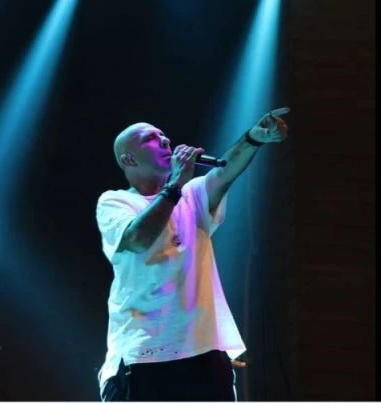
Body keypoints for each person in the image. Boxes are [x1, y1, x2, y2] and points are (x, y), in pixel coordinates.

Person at [95, 108, 290, 401]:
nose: (165, 140)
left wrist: (253, 138)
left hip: (204, 353)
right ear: (129, 159)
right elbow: (138, 239)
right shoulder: (115, 202)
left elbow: (225, 171)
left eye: (164, 135)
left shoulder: (193, 194)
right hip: (143, 354)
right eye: (151, 138)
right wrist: (175, 184)